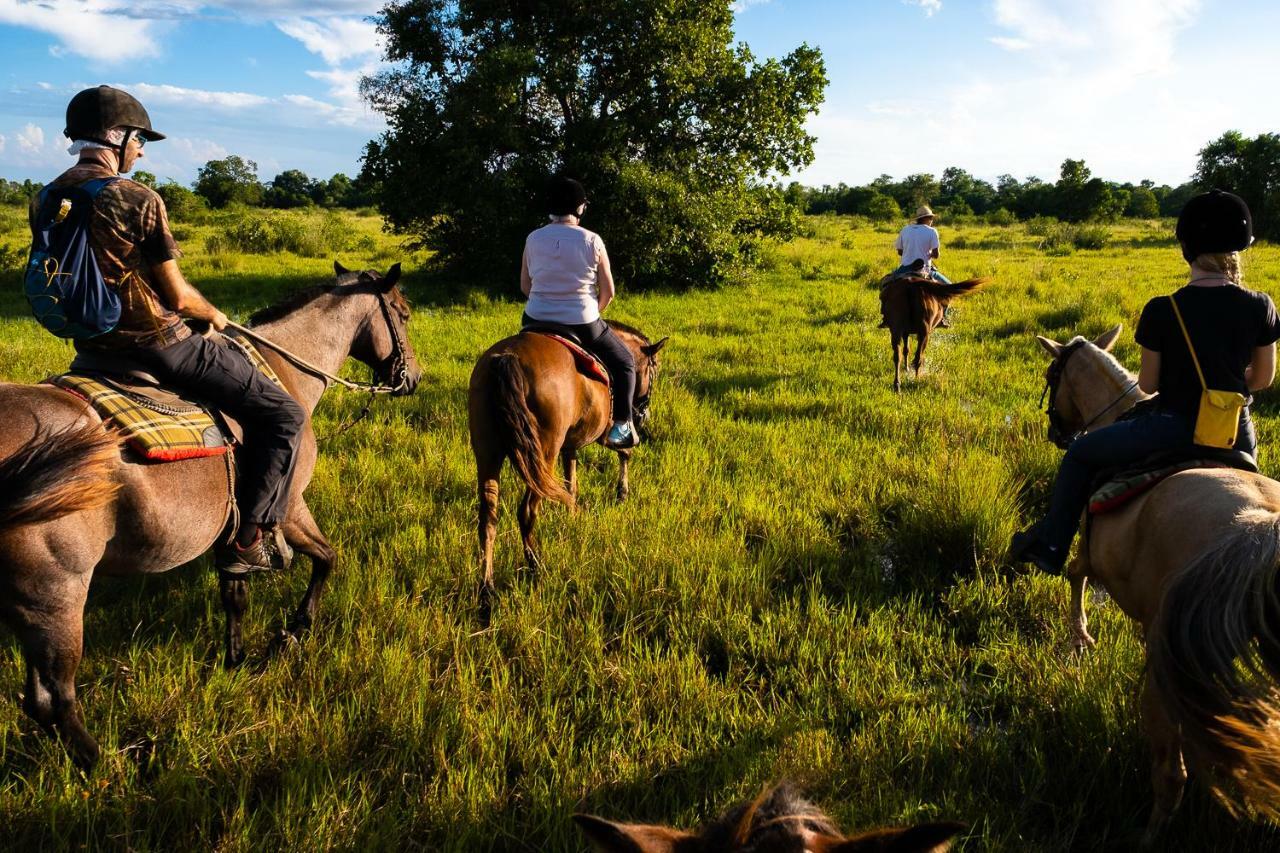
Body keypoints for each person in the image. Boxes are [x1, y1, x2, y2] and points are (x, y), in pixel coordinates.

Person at [37, 85, 304, 576]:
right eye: (139, 140)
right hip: (160, 348)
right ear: (117, 137)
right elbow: (178, 297)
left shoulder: (49, 197)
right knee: (284, 414)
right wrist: (212, 314)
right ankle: (249, 542)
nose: (140, 151)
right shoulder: (138, 198)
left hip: (92, 349)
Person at [1010, 189, 1280, 575]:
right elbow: (1264, 378)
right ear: (1239, 248)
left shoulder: (1162, 309)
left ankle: (1052, 545)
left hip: (1171, 428)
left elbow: (1149, 385)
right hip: (1234, 432)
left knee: (1080, 454)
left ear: (1186, 247)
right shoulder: (1261, 304)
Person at [520, 175, 638, 448]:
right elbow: (608, 292)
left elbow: (526, 286)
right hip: (582, 321)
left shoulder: (533, 238)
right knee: (624, 362)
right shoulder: (592, 240)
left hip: (535, 319)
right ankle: (622, 426)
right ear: (580, 207)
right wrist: (590, 310)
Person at [880, 205, 953, 328]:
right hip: (925, 269)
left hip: (904, 268)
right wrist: (929, 254)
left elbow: (900, 251)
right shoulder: (932, 231)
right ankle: (942, 318)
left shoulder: (905, 229)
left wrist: (910, 251)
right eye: (931, 218)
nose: (932, 221)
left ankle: (885, 317)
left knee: (884, 284)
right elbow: (936, 255)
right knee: (949, 289)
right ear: (926, 218)